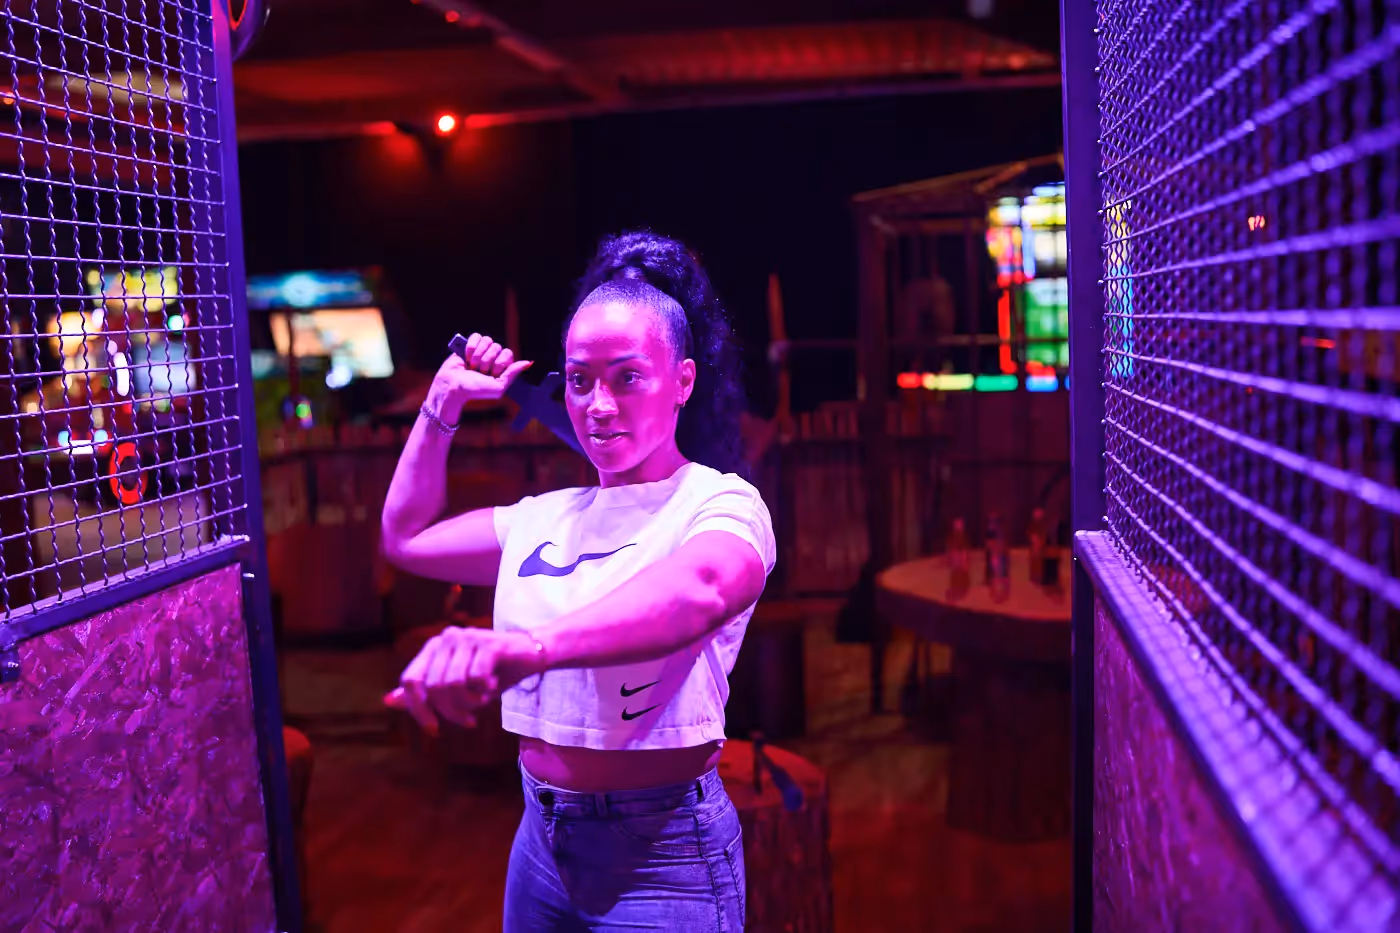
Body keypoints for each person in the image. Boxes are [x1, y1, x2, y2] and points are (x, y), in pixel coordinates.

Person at [380, 231, 776, 931]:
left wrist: (528, 649)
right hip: (539, 839)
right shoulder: (544, 517)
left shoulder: (718, 502)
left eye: (627, 377)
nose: (598, 404)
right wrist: (442, 403)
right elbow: (405, 537)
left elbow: (701, 589)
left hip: (664, 855)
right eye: (580, 379)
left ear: (682, 381)